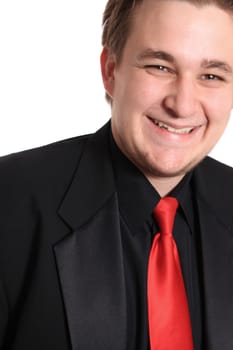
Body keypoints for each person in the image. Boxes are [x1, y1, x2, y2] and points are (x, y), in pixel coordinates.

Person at [0, 0, 233, 349]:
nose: (183, 105)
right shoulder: (9, 200)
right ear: (110, 70)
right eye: (160, 67)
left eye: (211, 76)